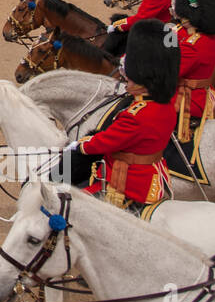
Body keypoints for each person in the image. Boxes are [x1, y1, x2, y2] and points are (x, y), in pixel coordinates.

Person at [65, 19, 179, 209]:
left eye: (130, 80)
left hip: (128, 184)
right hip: (153, 178)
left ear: (143, 81)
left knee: (73, 207)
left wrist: (79, 145)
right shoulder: (165, 106)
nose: (127, 83)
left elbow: (106, 142)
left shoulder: (135, 115)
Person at [171, 0, 215, 143]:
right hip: (199, 93)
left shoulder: (195, 45)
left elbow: (168, 72)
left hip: (188, 99)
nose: (182, 19)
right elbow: (171, 38)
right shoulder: (204, 37)